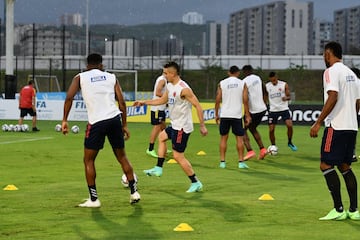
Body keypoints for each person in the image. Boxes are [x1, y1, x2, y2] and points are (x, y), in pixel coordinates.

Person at [62, 53, 140, 207]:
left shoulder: (80, 77)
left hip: (96, 122)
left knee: (88, 160)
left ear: (87, 65)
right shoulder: (111, 77)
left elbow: (69, 98)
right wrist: (124, 125)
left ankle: (94, 199)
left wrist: (65, 120)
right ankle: (134, 192)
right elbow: (122, 102)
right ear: (101, 64)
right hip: (114, 119)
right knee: (122, 157)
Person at [134, 61, 208, 193]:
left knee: (178, 156)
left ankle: (196, 182)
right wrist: (144, 102)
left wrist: (202, 126)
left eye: (166, 73)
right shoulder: (169, 85)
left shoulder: (184, 89)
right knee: (161, 137)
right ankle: (158, 168)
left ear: (173, 74)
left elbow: (198, 106)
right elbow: (162, 100)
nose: (164, 75)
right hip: (175, 125)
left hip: (182, 128)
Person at [310, 42, 360, 220]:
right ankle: (354, 210)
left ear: (328, 54)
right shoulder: (352, 74)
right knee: (345, 166)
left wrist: (318, 122)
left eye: (324, 54)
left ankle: (338, 210)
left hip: (336, 126)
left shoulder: (331, 71)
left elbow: (333, 96)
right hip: (351, 127)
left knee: (325, 165)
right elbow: (357, 103)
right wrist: (352, 119)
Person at [215, 65, 251, 169]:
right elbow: (245, 100)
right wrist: (247, 115)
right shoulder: (242, 83)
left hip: (225, 114)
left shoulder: (222, 83)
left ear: (228, 72)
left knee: (223, 139)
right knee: (239, 139)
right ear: (238, 73)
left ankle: (222, 162)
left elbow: (218, 99)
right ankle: (240, 162)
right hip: (237, 115)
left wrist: (217, 114)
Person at [265, 71, 297, 151]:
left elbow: (289, 96)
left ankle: (290, 142)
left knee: (289, 125)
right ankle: (273, 146)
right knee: (271, 130)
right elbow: (265, 97)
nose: (274, 82)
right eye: (272, 81)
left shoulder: (283, 84)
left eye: (275, 80)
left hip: (283, 109)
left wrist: (286, 98)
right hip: (273, 110)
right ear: (270, 79)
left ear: (277, 77)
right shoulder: (267, 86)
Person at [241, 65, 268, 160]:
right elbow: (265, 90)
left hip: (253, 110)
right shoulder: (258, 78)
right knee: (252, 128)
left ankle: (250, 151)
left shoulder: (244, 82)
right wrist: (264, 102)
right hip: (262, 109)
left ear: (244, 72)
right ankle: (262, 150)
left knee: (242, 130)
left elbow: (245, 99)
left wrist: (247, 115)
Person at [146, 73, 167, 158]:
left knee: (163, 127)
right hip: (157, 108)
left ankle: (163, 147)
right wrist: (168, 97)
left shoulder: (163, 79)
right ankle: (150, 149)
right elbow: (158, 92)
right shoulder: (162, 80)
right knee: (157, 127)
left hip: (161, 108)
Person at [351, 67, 360, 163]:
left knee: (352, 135)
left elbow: (357, 100)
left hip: (356, 112)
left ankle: (352, 154)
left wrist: (354, 113)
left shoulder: (354, 82)